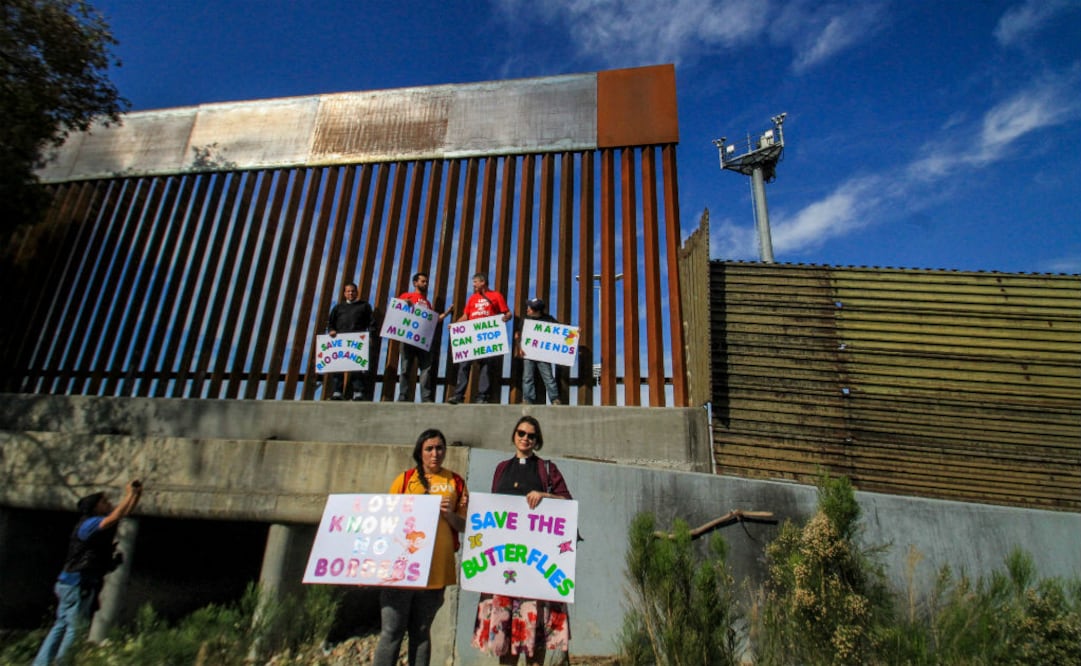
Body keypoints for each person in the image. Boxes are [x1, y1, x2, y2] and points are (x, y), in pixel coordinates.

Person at [472, 416, 572, 665]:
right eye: (521, 433)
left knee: (535, 638)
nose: (525, 438)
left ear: (537, 441)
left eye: (531, 435)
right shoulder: (501, 468)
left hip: (535, 568)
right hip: (505, 565)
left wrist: (545, 495)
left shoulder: (547, 469)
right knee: (505, 639)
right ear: (514, 435)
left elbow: (567, 504)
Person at [373, 429, 468, 666]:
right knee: (391, 633)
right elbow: (386, 520)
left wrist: (448, 514)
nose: (435, 453)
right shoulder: (404, 480)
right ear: (420, 452)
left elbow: (465, 524)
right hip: (399, 572)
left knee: (421, 633)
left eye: (439, 448)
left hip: (435, 573)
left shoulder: (455, 481)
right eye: (429, 448)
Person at [34, 480, 143, 666]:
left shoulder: (90, 522)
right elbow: (116, 515)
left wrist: (136, 495)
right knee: (75, 628)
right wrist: (128, 495)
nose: (108, 503)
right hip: (77, 583)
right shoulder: (89, 524)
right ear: (95, 507)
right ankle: (63, 663)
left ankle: (41, 663)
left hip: (70, 582)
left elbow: (122, 512)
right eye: (104, 501)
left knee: (61, 625)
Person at [448, 273, 512, 404]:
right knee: (464, 365)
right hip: (472, 337)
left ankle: (482, 396)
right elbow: (466, 316)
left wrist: (507, 317)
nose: (474, 285)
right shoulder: (472, 298)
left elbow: (507, 312)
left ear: (483, 282)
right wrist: (456, 325)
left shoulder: (496, 296)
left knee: (486, 366)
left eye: (475, 282)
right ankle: (459, 395)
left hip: (487, 337)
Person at [397, 272, 452, 402]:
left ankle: (426, 397)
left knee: (426, 369)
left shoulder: (427, 303)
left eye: (426, 281)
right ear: (415, 283)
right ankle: (403, 395)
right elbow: (397, 309)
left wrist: (447, 313)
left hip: (423, 341)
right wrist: (405, 303)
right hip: (408, 338)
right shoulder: (406, 296)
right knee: (405, 368)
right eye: (423, 281)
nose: (425, 284)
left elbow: (434, 319)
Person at [326, 282, 375, 401]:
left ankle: (358, 392)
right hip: (340, 341)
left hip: (357, 341)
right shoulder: (338, 308)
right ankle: (337, 392)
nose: (351, 293)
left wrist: (370, 336)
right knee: (338, 366)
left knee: (356, 367)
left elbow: (372, 322)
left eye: (353, 291)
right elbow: (330, 323)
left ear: (357, 292)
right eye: (348, 291)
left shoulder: (364, 306)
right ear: (344, 293)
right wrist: (331, 330)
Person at [516, 298, 562, 405]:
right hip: (528, 353)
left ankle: (555, 399)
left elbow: (561, 331)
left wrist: (574, 332)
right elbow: (519, 336)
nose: (527, 309)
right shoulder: (525, 319)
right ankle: (527, 399)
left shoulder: (548, 319)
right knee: (527, 377)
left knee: (548, 377)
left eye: (530, 308)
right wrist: (520, 347)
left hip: (542, 355)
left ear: (537, 310)